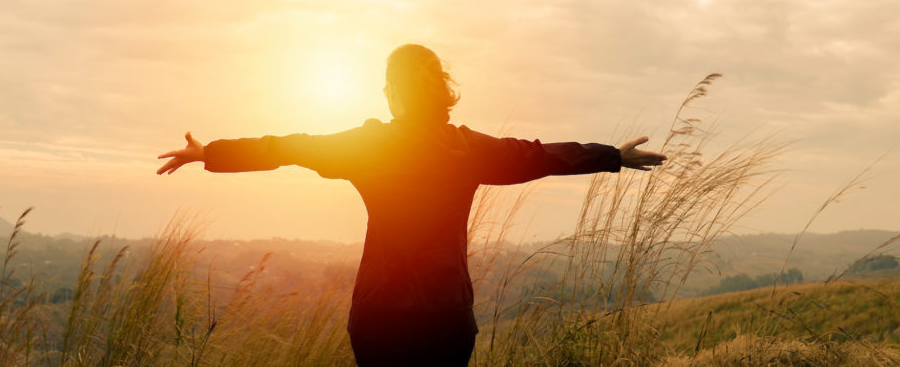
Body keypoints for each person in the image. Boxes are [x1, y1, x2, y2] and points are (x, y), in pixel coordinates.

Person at [156, 44, 667, 366]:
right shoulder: (468, 149)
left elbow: (289, 145)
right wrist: (611, 156)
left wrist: (211, 153)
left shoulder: (368, 146)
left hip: (379, 317)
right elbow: (539, 156)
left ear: (393, 94)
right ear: (441, 93)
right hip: (445, 318)